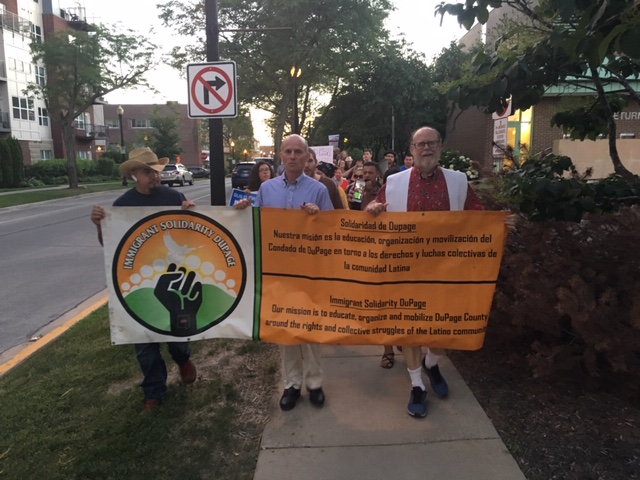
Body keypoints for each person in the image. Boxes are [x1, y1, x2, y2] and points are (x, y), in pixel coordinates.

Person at [364, 126, 516, 418]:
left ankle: (432, 364)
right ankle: (417, 384)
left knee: (443, 329)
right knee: (409, 330)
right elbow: (375, 208)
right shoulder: (394, 183)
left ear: (440, 147)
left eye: (431, 143)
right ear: (412, 150)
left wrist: (501, 224)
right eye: (420, 144)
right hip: (405, 271)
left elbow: (479, 217)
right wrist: (372, 207)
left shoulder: (458, 182)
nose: (426, 149)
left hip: (446, 272)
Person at [90, 147, 198, 413]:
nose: (155, 176)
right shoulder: (122, 205)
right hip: (139, 280)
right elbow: (111, 246)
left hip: (172, 276)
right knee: (144, 342)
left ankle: (183, 360)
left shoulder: (174, 197)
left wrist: (193, 214)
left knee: (176, 334)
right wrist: (99, 225)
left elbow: (191, 236)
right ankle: (154, 392)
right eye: (148, 172)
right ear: (134, 174)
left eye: (156, 171)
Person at [234, 135, 334, 411]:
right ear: (280, 155)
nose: (292, 156)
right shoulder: (266, 189)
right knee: (286, 328)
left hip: (309, 271)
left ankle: (314, 383)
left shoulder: (318, 190)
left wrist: (318, 218)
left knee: (311, 329)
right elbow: (256, 225)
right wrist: (242, 211)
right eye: (288, 151)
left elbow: (333, 229)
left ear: (306, 157)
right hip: (278, 270)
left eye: (298, 152)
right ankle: (292, 384)